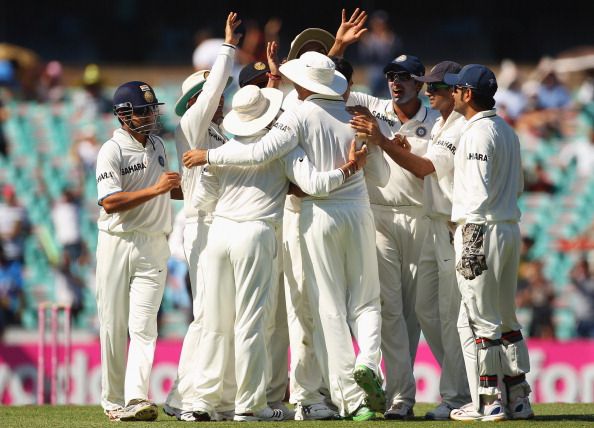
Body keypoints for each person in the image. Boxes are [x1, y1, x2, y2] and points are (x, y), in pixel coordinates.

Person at [183, 51, 389, 421]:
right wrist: (353, 167)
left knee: (320, 309)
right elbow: (380, 175)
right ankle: (367, 367)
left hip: (285, 221)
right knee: (366, 303)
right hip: (355, 211)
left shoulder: (292, 119)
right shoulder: (357, 115)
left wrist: (209, 158)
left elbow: (209, 196)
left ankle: (205, 400)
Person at [350, 60, 471, 420]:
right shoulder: (374, 108)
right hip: (380, 217)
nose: (395, 83)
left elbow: (426, 171)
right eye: (390, 77)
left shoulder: (440, 120)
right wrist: (339, 45)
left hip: (423, 217)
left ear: (420, 84)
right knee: (389, 310)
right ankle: (399, 398)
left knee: (425, 312)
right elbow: (332, 89)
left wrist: (386, 143)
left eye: (404, 78)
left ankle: (458, 391)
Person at [443, 64, 534, 422]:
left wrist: (468, 238)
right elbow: (518, 187)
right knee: (506, 317)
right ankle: (518, 398)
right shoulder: (508, 132)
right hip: (509, 227)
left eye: (455, 89)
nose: (451, 94)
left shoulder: (477, 133)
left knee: (482, 319)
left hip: (480, 228)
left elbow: (477, 191)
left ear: (467, 94)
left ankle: (488, 400)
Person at [163, 12, 240, 422]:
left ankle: (196, 396)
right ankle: (194, 400)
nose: (222, 98)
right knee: (210, 316)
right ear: (198, 100)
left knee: (216, 316)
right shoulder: (192, 123)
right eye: (216, 93)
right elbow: (210, 92)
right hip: (201, 227)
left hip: (220, 226)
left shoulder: (219, 132)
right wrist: (228, 46)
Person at [95, 80, 182, 421]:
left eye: (151, 109)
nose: (150, 115)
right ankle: (113, 400)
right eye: (142, 111)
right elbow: (110, 201)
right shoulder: (111, 150)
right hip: (118, 241)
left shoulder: (159, 144)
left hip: (153, 244)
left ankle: (135, 398)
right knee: (113, 324)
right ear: (124, 115)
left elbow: (167, 190)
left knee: (144, 325)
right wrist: (158, 188)